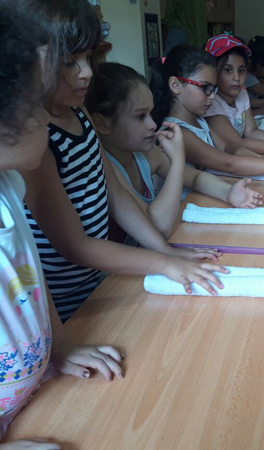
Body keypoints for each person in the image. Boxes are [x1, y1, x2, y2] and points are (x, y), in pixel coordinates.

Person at [21, 0, 227, 322]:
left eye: (88, 57)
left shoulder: (79, 112)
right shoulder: (34, 142)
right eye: (70, 62)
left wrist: (165, 251)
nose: (87, 71)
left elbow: (114, 193)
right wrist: (165, 263)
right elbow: (75, 246)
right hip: (61, 307)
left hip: (99, 283)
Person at [0, 1, 124, 445]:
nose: (48, 116)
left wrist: (63, 345)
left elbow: (31, 284)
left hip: (32, 397)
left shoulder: (9, 186)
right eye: (34, 102)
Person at [86, 62, 264, 240]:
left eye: (150, 114)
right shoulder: (107, 169)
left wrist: (228, 192)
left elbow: (196, 178)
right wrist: (178, 160)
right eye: (140, 116)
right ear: (102, 123)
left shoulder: (146, 155)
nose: (152, 124)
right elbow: (158, 227)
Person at [151, 45, 264, 183]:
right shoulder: (177, 133)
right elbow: (227, 163)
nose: (213, 96)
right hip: (186, 206)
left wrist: (259, 160)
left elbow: (229, 147)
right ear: (175, 85)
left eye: (213, 89)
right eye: (206, 88)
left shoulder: (198, 121)